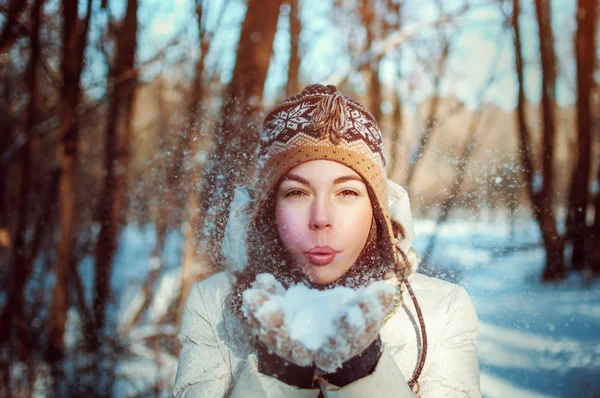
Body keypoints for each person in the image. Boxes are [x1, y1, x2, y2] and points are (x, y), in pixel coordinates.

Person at [173, 84, 480, 397]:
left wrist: (364, 374)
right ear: (269, 210)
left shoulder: (441, 311)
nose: (321, 217)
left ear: (375, 209)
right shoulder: (214, 305)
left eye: (347, 192)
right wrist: (280, 377)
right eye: (296, 192)